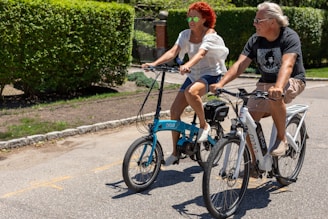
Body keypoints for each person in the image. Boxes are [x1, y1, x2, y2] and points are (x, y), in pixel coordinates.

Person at [210, 2, 306, 165]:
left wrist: (278, 87)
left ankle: (281, 139)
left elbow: (287, 64)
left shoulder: (289, 36)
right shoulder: (255, 40)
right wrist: (221, 83)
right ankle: (256, 162)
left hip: (292, 80)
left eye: (258, 20)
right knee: (248, 121)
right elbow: (240, 64)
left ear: (272, 22)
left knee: (275, 97)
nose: (254, 23)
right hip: (265, 83)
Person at [141, 1, 229, 166]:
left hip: (211, 75)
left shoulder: (211, 35)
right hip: (194, 75)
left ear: (204, 19)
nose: (191, 21)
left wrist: (188, 65)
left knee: (191, 92)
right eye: (189, 18)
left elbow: (201, 54)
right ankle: (175, 153)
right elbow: (173, 51)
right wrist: (155, 64)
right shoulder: (185, 34)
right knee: (174, 111)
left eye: (195, 18)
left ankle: (204, 126)